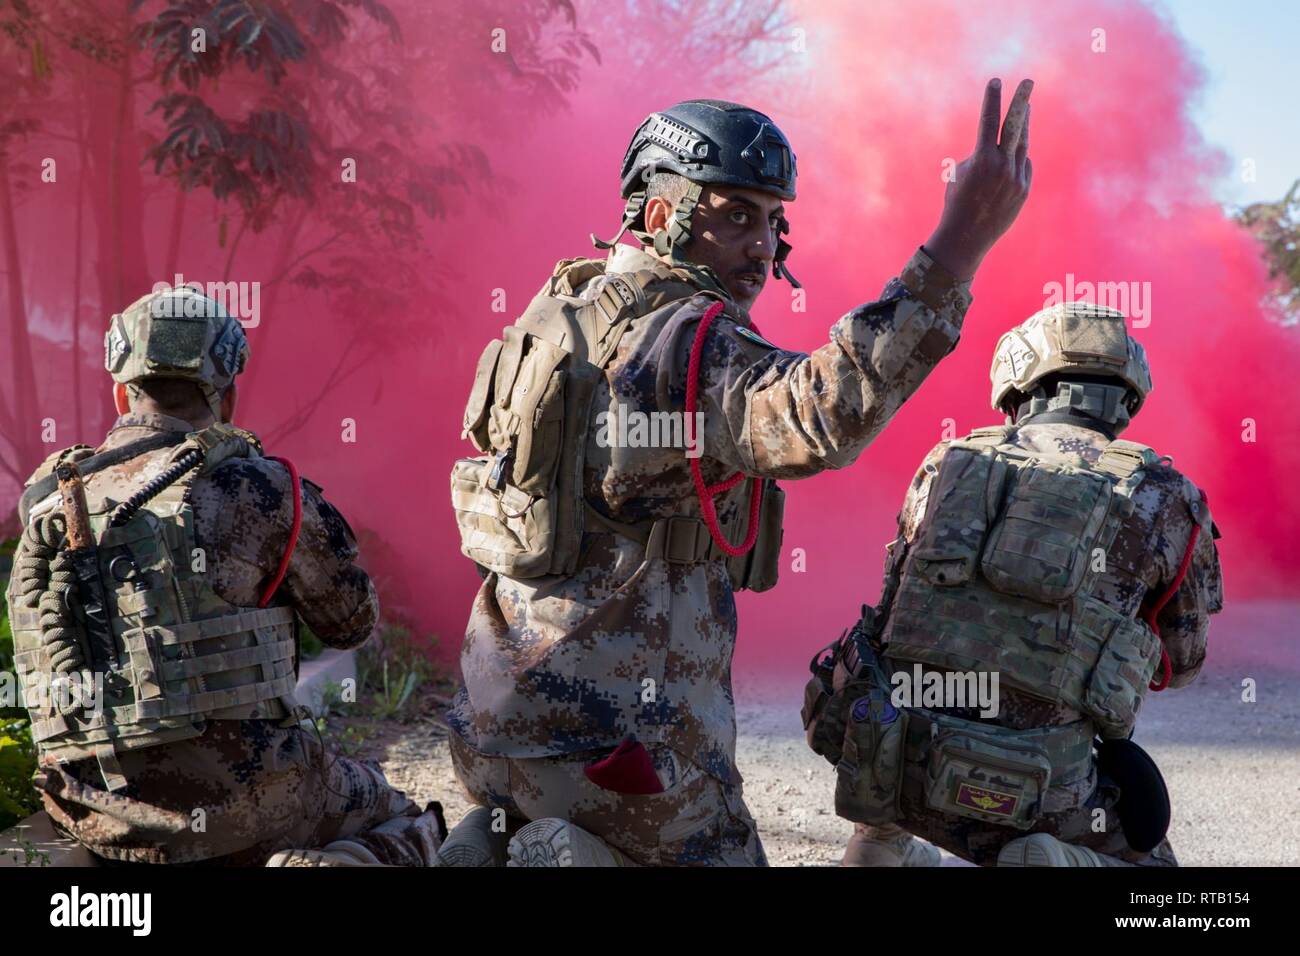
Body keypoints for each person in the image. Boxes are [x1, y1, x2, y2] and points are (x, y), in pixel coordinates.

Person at [444, 81, 1036, 866]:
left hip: (494, 738)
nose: (762, 244)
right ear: (660, 216)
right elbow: (825, 412)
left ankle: (506, 845)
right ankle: (567, 852)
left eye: (770, 220)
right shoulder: (687, 338)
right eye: (734, 216)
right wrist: (959, 242)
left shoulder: (558, 312)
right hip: (623, 765)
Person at [5, 286, 443, 866]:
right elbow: (350, 623)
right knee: (411, 819)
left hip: (96, 815)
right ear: (227, 396)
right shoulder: (258, 486)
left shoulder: (45, 500)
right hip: (255, 801)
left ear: (120, 392)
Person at [803, 302, 1223, 867]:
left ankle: (878, 843)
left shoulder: (947, 461)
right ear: (1127, 394)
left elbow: (895, 609)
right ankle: (1051, 862)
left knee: (880, 679)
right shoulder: (1169, 498)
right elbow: (1182, 663)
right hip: (1040, 794)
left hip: (895, 764)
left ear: (1019, 381)